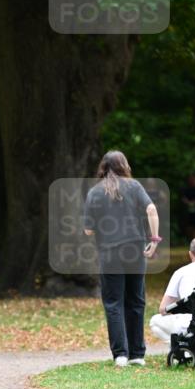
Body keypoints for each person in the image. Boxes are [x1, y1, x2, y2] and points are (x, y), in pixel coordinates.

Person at [84, 150, 160, 368]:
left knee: (113, 302)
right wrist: (153, 240)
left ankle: (120, 355)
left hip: (109, 253)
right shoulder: (134, 186)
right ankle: (138, 354)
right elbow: (152, 209)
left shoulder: (94, 193)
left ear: (102, 167)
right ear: (124, 165)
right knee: (136, 300)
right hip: (135, 249)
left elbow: (88, 231)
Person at [149, 237, 195, 344]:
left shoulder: (180, 272)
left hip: (187, 325)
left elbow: (163, 309)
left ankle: (181, 345)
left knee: (154, 321)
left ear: (190, 254)